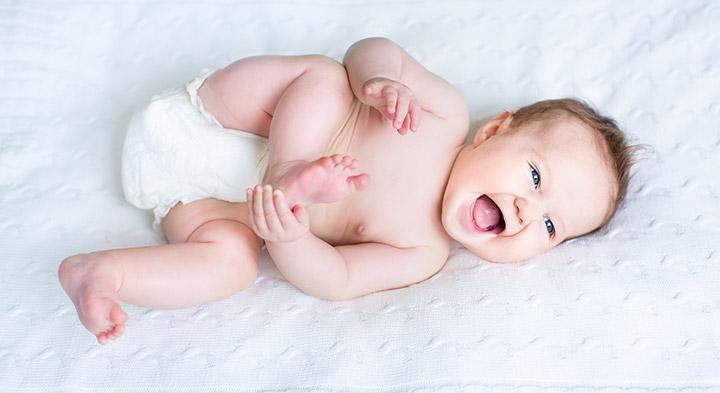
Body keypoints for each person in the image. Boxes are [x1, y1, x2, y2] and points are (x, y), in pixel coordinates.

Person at [58, 37, 636, 344]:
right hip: (230, 114)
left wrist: (288, 238)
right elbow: (372, 45)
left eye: (551, 226)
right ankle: (292, 168)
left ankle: (103, 273)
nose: (526, 208)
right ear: (493, 130)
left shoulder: (423, 253)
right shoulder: (441, 113)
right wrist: (376, 80)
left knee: (233, 266)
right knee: (328, 79)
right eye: (535, 178)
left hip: (206, 205)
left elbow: (335, 278)